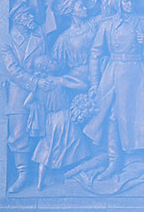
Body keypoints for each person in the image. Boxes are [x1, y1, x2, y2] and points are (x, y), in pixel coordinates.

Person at [84, 0, 144, 180]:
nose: (129, 4)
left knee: (135, 116)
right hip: (113, 73)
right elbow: (95, 54)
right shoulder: (107, 26)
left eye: (131, 0)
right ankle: (114, 161)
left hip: (136, 73)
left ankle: (134, 157)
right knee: (111, 115)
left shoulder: (143, 23)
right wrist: (93, 83)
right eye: (125, 1)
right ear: (118, 4)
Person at [1, 1, 52, 193]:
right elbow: (13, 71)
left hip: (42, 91)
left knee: (44, 130)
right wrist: (35, 82)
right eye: (28, 15)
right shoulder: (8, 42)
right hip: (19, 92)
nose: (32, 18)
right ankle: (22, 173)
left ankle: (45, 171)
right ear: (18, 19)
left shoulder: (39, 35)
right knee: (18, 133)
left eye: (31, 15)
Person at [30, 55, 91, 190]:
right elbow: (83, 85)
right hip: (65, 117)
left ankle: (40, 183)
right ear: (46, 68)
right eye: (51, 61)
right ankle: (78, 174)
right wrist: (69, 77)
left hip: (49, 120)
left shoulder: (39, 86)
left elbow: (27, 103)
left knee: (47, 149)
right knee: (77, 144)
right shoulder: (61, 80)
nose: (55, 62)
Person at [53, 0, 97, 90]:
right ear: (72, 12)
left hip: (99, 71)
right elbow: (58, 66)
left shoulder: (93, 24)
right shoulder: (64, 38)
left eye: (84, 5)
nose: (85, 8)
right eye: (81, 7)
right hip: (78, 78)